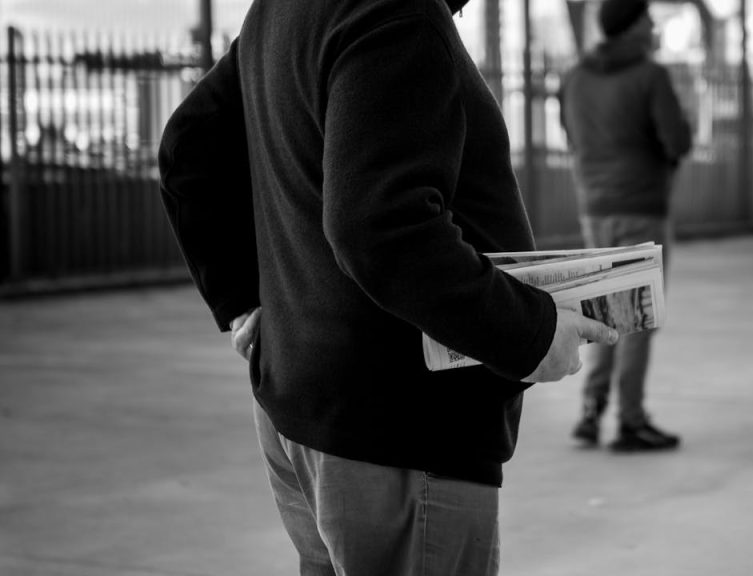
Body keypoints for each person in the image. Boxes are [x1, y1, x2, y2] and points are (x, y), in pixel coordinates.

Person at [158, 0, 619, 574]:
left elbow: (188, 144)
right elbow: (381, 228)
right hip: (398, 434)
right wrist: (532, 335)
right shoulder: (400, 16)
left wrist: (241, 300)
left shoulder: (283, 9)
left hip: (305, 404)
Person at [559, 0, 692, 452]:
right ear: (633, 26)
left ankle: (590, 411)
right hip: (641, 208)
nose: (653, 26)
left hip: (595, 208)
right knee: (638, 315)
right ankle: (631, 421)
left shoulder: (575, 77)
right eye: (648, 19)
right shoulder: (650, 76)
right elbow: (677, 141)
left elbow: (571, 135)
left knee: (605, 311)